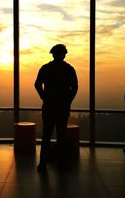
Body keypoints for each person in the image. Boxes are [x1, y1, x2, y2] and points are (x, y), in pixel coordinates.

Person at [35, 44, 78, 172]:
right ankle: (62, 163)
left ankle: (43, 163)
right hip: (63, 106)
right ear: (64, 54)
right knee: (61, 134)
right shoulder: (69, 69)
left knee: (47, 134)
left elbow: (37, 84)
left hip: (49, 106)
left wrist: (44, 97)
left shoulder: (46, 68)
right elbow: (74, 87)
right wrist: (68, 100)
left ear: (53, 54)